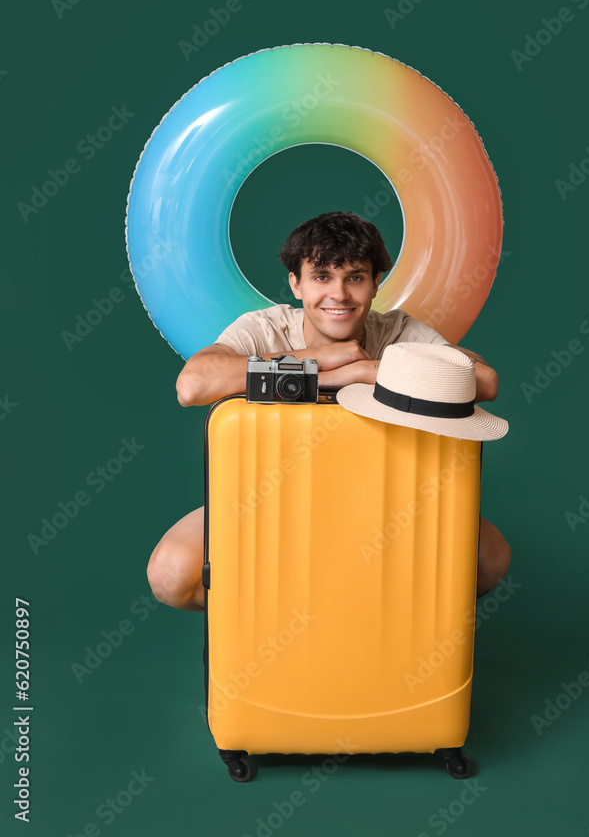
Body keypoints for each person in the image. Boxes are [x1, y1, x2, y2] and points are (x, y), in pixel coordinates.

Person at [147, 211, 510, 610]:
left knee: (489, 559)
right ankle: (269, 627)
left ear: (375, 284)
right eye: (322, 277)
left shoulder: (396, 332)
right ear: (296, 284)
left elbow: (485, 381)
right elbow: (192, 384)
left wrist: (374, 370)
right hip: (267, 499)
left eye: (355, 277)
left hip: (378, 502)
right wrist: (328, 365)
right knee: (172, 573)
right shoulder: (264, 329)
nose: (339, 294)